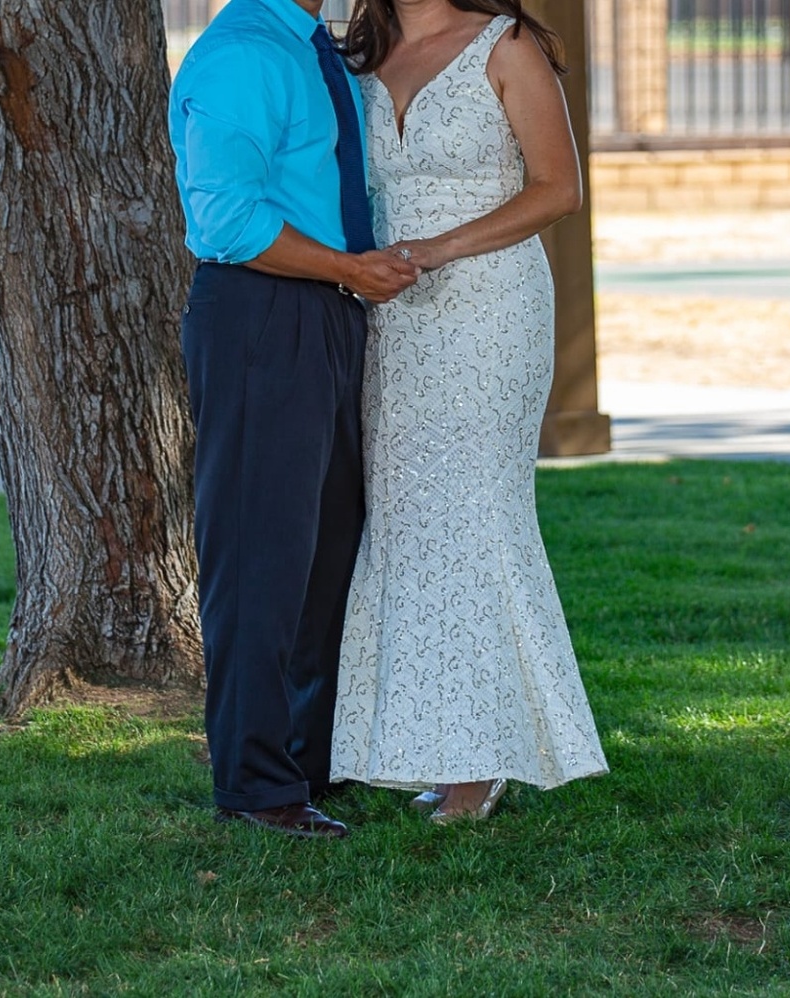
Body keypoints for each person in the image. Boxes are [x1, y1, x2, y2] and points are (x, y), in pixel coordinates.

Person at [330, 0, 608, 822]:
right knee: (407, 519)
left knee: (479, 512)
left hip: (488, 305)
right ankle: (426, 741)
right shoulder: (360, 52)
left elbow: (560, 189)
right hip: (392, 308)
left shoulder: (508, 45)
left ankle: (482, 759)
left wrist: (439, 248)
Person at [168, 0, 418, 840]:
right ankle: (256, 783)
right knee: (260, 557)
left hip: (328, 310)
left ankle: (309, 761)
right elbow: (226, 220)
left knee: (324, 552)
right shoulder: (242, 54)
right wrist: (349, 267)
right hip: (263, 315)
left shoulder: (314, 47)